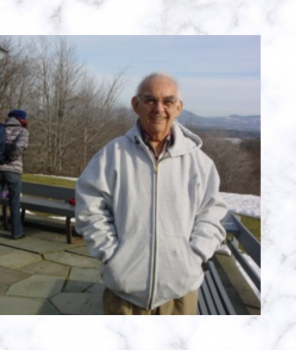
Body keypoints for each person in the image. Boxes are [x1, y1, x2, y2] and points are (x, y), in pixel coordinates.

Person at [75, 73, 228, 315]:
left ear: (178, 108)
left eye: (168, 102)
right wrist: (112, 257)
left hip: (180, 293)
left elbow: (212, 215)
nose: (159, 109)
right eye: (150, 100)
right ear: (136, 105)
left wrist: (194, 257)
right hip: (123, 293)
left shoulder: (200, 163)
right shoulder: (112, 155)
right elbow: (89, 207)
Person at [0, 109, 29, 240]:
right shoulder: (22, 131)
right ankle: (16, 232)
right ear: (22, 119)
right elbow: (18, 148)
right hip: (13, 170)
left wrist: (0, 161)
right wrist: (8, 160)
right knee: (14, 201)